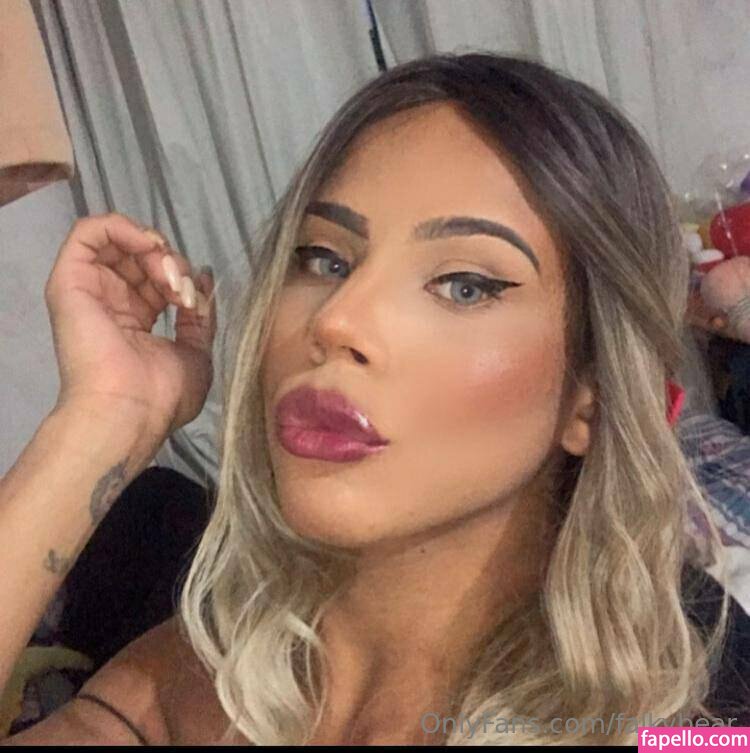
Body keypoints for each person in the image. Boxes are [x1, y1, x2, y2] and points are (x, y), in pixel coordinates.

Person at [0, 53, 734, 746]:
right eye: (325, 259)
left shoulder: (686, 717)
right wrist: (107, 413)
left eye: (464, 285)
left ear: (591, 400)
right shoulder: (220, 655)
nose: (336, 320)